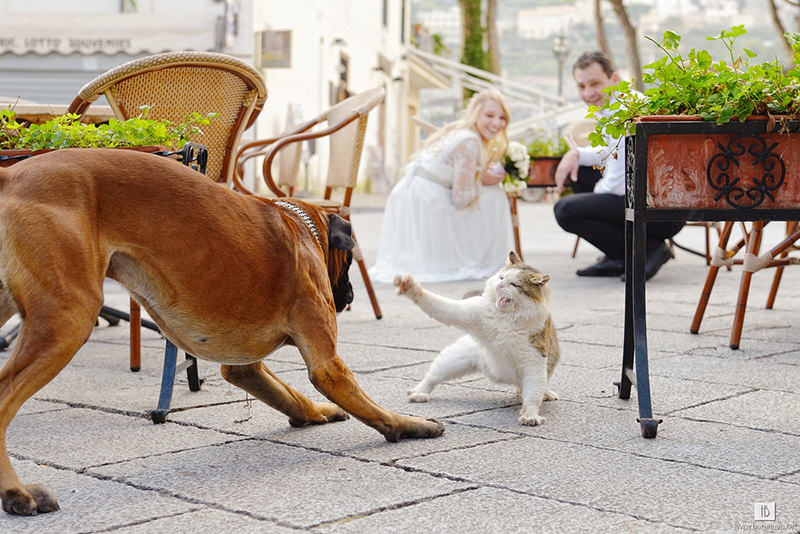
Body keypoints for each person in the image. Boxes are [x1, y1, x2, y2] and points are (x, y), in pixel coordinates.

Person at [553, 51, 684, 280]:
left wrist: (596, 194)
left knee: (565, 210)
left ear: (614, 79)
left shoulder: (628, 109)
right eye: (581, 86)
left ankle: (647, 250)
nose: (588, 93)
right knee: (580, 172)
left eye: (595, 84)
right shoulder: (615, 105)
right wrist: (575, 154)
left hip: (659, 210)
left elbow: (619, 182)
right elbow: (610, 153)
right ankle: (618, 256)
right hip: (643, 198)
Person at [369, 88, 514, 283]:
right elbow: (461, 198)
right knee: (495, 195)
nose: (496, 123)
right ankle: (481, 259)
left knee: (491, 193)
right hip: (425, 199)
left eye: (502, 118)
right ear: (475, 113)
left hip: (410, 194)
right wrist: (483, 181)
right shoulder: (470, 140)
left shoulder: (458, 131)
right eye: (489, 115)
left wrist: (477, 177)